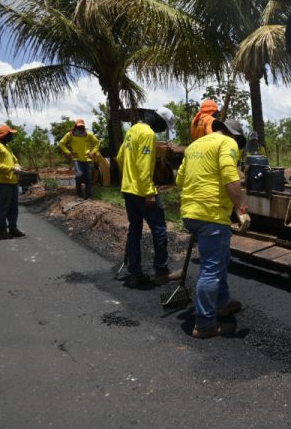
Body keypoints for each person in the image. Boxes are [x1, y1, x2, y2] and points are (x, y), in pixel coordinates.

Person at [176, 119, 250, 338]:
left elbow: (181, 179)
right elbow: (230, 176)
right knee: (211, 269)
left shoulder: (194, 146)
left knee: (221, 259)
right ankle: (205, 324)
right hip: (211, 215)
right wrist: (241, 209)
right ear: (234, 135)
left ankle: (222, 302)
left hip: (191, 213)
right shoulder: (228, 143)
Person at [116, 107, 182, 288]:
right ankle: (161, 272)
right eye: (164, 126)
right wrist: (149, 193)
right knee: (159, 229)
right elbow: (145, 167)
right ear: (158, 121)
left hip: (128, 190)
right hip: (142, 192)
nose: (162, 130)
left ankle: (135, 274)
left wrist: (129, 177)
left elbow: (121, 157)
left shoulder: (132, 130)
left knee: (134, 231)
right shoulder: (147, 134)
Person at [0, 124, 25, 240]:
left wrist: (17, 165)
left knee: (13, 207)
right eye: (9, 134)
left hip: (12, 180)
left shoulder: (7, 146)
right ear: (3, 135)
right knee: (3, 207)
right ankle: (2, 231)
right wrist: (12, 169)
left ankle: (13, 228)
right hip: (2, 181)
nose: (11, 136)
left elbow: (14, 160)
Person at [58, 118, 100, 199]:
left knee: (88, 178)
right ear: (75, 126)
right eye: (79, 126)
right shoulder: (70, 134)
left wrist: (93, 152)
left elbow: (97, 142)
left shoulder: (88, 134)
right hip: (76, 159)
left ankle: (88, 195)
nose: (80, 128)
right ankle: (79, 191)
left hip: (87, 159)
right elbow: (61, 143)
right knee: (79, 174)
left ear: (84, 126)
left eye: (82, 126)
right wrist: (69, 153)